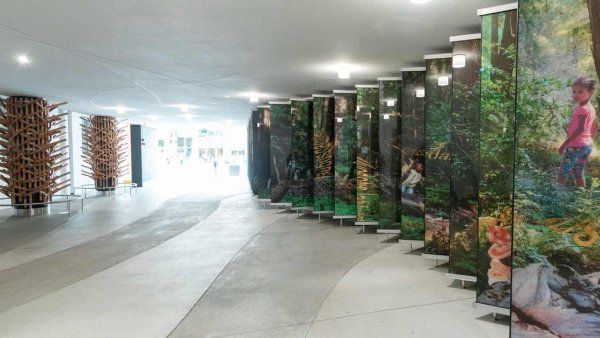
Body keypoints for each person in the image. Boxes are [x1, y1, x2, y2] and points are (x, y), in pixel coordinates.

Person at [558, 76, 598, 188]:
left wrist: (565, 143)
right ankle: (582, 195)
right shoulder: (590, 107)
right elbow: (595, 125)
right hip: (586, 146)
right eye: (574, 92)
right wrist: (590, 141)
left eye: (580, 92)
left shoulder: (582, 109)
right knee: (578, 172)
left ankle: (556, 195)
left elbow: (580, 129)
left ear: (590, 92)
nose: (576, 95)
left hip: (575, 146)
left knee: (563, 171)